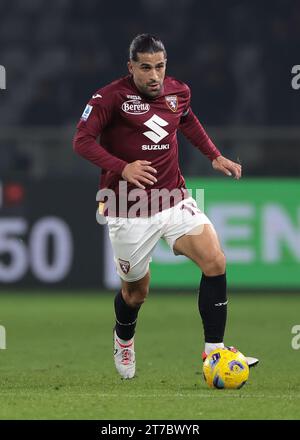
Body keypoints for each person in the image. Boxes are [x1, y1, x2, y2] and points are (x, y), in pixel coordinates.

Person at [73, 34, 259, 379]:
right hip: (126, 208)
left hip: (172, 198)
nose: (154, 75)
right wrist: (122, 167)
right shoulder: (108, 98)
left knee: (215, 260)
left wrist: (214, 155)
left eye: (160, 66)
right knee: (135, 293)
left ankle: (214, 352)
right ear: (131, 67)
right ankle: (124, 338)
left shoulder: (178, 91)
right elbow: (81, 141)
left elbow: (186, 120)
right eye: (146, 68)